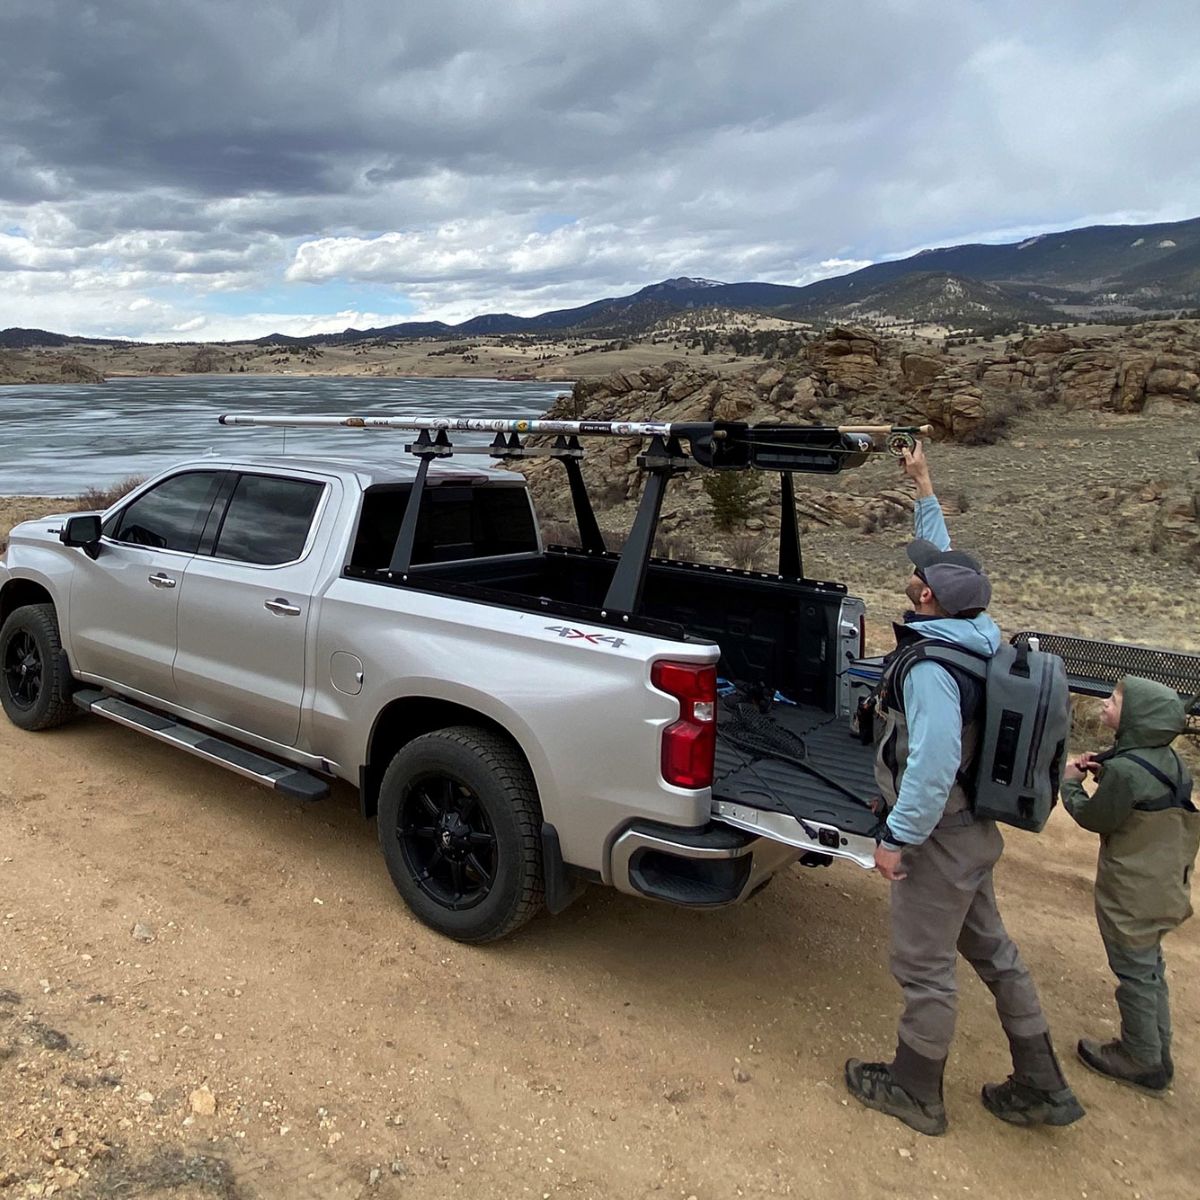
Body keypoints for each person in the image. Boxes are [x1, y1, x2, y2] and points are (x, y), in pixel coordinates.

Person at [844, 440, 1084, 1136]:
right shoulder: (979, 632)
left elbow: (932, 763)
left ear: (926, 601)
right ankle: (1042, 1084)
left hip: (939, 838)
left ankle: (915, 1090)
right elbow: (948, 564)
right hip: (975, 832)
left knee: (922, 966)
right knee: (994, 953)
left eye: (920, 582)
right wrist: (924, 485)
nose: (916, 580)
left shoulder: (929, 671)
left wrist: (895, 839)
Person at [1062, 676, 1199, 1094]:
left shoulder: (1125, 770)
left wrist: (1070, 783)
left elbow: (1096, 818)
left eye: (1117, 699)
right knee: (1149, 968)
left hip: (1132, 891)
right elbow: (1145, 792)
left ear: (1139, 717)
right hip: (1164, 882)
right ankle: (1157, 1052)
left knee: (1134, 970)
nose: (1106, 702)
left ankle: (1140, 1058)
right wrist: (1111, 771)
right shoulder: (1167, 760)